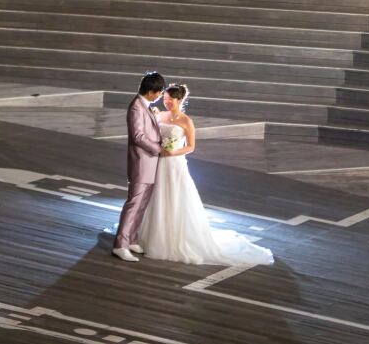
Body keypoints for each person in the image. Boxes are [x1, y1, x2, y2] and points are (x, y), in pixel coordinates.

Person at [139, 83, 274, 266]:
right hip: (159, 162)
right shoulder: (160, 115)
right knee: (156, 197)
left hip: (174, 163)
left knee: (176, 198)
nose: (167, 102)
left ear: (180, 100)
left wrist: (172, 152)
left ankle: (174, 239)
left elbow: (190, 147)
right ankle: (151, 236)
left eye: (170, 100)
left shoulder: (186, 121)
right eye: (165, 99)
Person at [112, 72, 166, 262]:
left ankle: (132, 238)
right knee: (134, 204)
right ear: (152, 92)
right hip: (142, 163)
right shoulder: (136, 107)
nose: (160, 96)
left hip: (149, 163)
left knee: (142, 204)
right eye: (159, 93)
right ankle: (120, 244)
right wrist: (159, 149)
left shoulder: (146, 106)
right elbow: (138, 136)